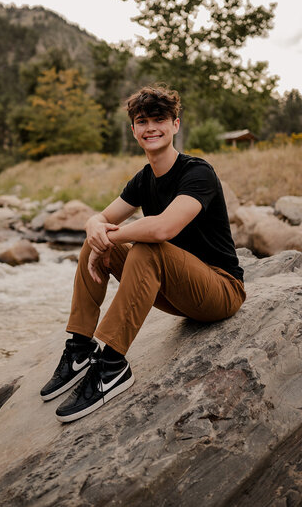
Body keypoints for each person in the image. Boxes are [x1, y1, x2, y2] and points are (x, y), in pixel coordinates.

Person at [40, 85, 246, 423]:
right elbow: (102, 218)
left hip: (220, 290)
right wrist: (94, 227)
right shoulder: (143, 179)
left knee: (147, 247)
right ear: (133, 130)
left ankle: (111, 365)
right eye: (142, 121)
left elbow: (163, 228)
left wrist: (108, 233)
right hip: (178, 293)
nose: (151, 127)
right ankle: (79, 349)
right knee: (98, 242)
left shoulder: (198, 172)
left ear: (175, 125)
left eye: (159, 119)